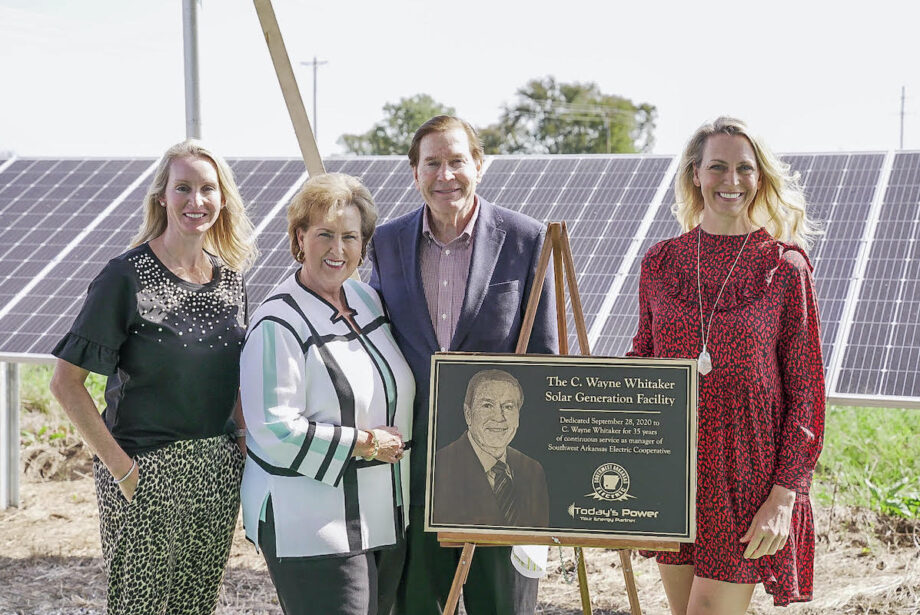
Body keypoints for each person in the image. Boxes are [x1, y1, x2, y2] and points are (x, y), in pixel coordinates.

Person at [49, 140, 257, 614]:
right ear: (161, 196)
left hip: (216, 470)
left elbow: (235, 377)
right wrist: (121, 469)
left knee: (195, 606)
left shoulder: (230, 281)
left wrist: (242, 445)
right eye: (182, 188)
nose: (195, 201)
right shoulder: (124, 275)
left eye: (208, 189)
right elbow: (65, 382)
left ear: (223, 199)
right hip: (144, 469)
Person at [628, 116, 825, 613]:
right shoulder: (661, 263)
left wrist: (784, 498)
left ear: (760, 178)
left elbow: (806, 394)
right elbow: (643, 358)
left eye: (744, 168)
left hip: (748, 480)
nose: (730, 180)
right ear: (696, 174)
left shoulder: (784, 267)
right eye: (717, 167)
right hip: (673, 475)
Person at [369, 115, 558, 615]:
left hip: (499, 464)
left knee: (501, 604)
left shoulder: (526, 238)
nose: (445, 174)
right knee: (416, 603)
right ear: (415, 173)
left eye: (456, 161)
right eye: (432, 163)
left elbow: (544, 358)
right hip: (413, 463)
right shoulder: (385, 243)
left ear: (479, 164)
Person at [238, 172, 414, 615]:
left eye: (350, 237)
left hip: (381, 517)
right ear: (300, 237)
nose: (338, 250)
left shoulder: (366, 299)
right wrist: (365, 442)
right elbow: (275, 428)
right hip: (313, 526)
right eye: (325, 235)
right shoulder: (278, 321)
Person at [433, 369, 549, 528]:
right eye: (487, 405)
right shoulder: (439, 467)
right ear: (468, 414)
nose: (499, 417)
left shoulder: (533, 470)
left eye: (508, 407)